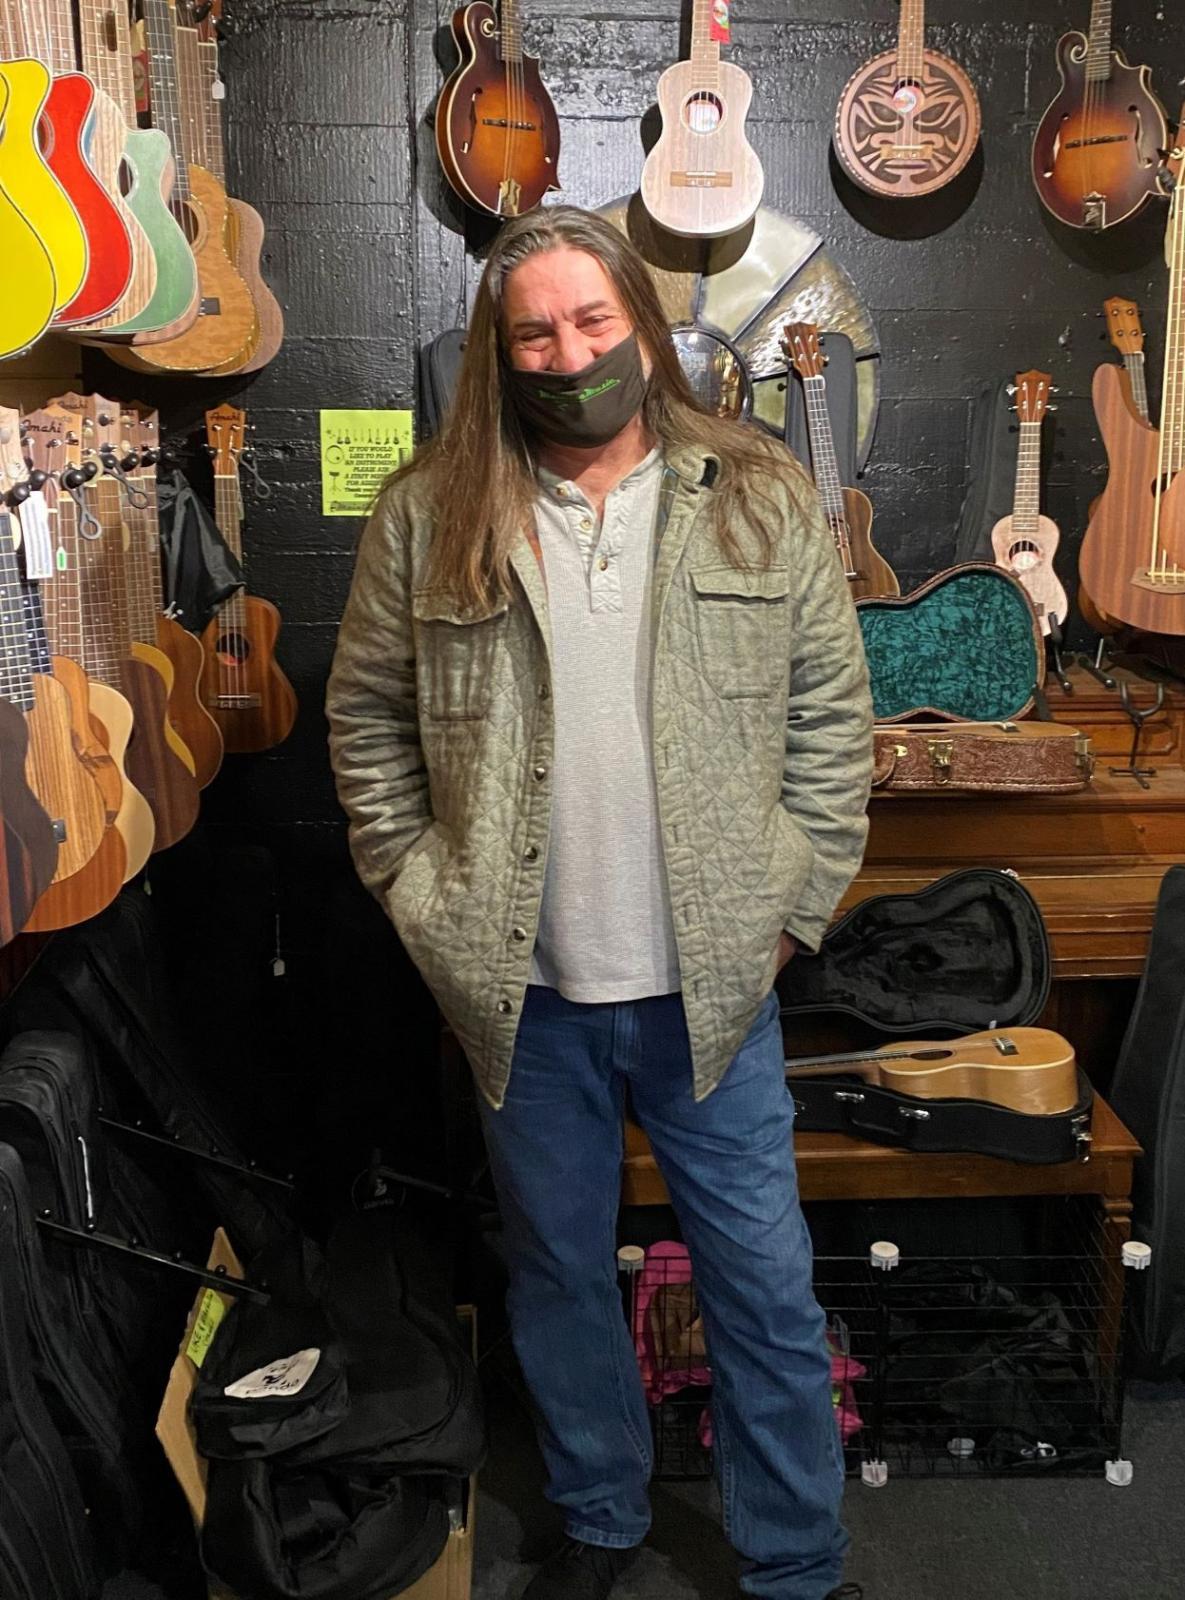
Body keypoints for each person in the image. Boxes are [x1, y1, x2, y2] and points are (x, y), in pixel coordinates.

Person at [326, 205, 873, 1600]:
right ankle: (602, 1520)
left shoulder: (757, 491)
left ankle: (795, 1562)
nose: (568, 351)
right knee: (558, 1277)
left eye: (590, 320)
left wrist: (789, 909)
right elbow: (369, 728)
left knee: (761, 1293)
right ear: (495, 354)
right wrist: (422, 897)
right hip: (526, 1000)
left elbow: (829, 724)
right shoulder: (427, 514)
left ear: (639, 318)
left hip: (717, 987)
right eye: (533, 331)